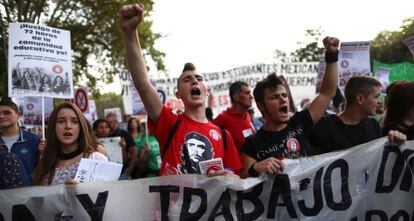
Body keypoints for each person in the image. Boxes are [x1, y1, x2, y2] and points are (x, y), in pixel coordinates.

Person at [119, 3, 241, 176]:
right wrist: (130, 33)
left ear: (206, 90)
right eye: (187, 80)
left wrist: (228, 175)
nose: (194, 81)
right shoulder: (169, 122)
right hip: (170, 203)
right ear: (178, 94)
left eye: (199, 79)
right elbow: (143, 84)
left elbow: (236, 178)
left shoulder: (224, 136)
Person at [240, 36, 340, 178]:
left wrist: (332, 55)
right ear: (261, 106)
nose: (283, 100)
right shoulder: (252, 143)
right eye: (275, 97)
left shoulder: (300, 122)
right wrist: (256, 168)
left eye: (284, 95)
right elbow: (244, 176)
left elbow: (327, 93)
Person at [308, 76, 406, 154]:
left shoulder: (373, 125)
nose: (380, 102)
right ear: (360, 99)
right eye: (376, 97)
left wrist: (394, 144)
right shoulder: (324, 126)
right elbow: (312, 163)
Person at [33, 103, 108, 185]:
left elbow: (109, 193)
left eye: (74, 121)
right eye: (61, 121)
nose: (68, 126)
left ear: (81, 127)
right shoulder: (45, 163)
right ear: (53, 127)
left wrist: (81, 191)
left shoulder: (95, 159)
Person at [0, 99, 40, 186]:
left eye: (6, 113)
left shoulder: (34, 140)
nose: (1, 116)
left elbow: (41, 170)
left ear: (18, 114)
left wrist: (44, 153)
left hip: (27, 196)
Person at [213, 81, 256, 151]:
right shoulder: (222, 119)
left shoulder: (247, 115)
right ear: (236, 97)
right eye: (247, 93)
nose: (251, 97)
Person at [105, 112, 137, 179]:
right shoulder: (105, 135)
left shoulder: (125, 134)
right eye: (106, 123)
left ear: (116, 122)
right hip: (109, 172)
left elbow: (133, 152)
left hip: (123, 172)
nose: (107, 125)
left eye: (110, 122)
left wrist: (130, 169)